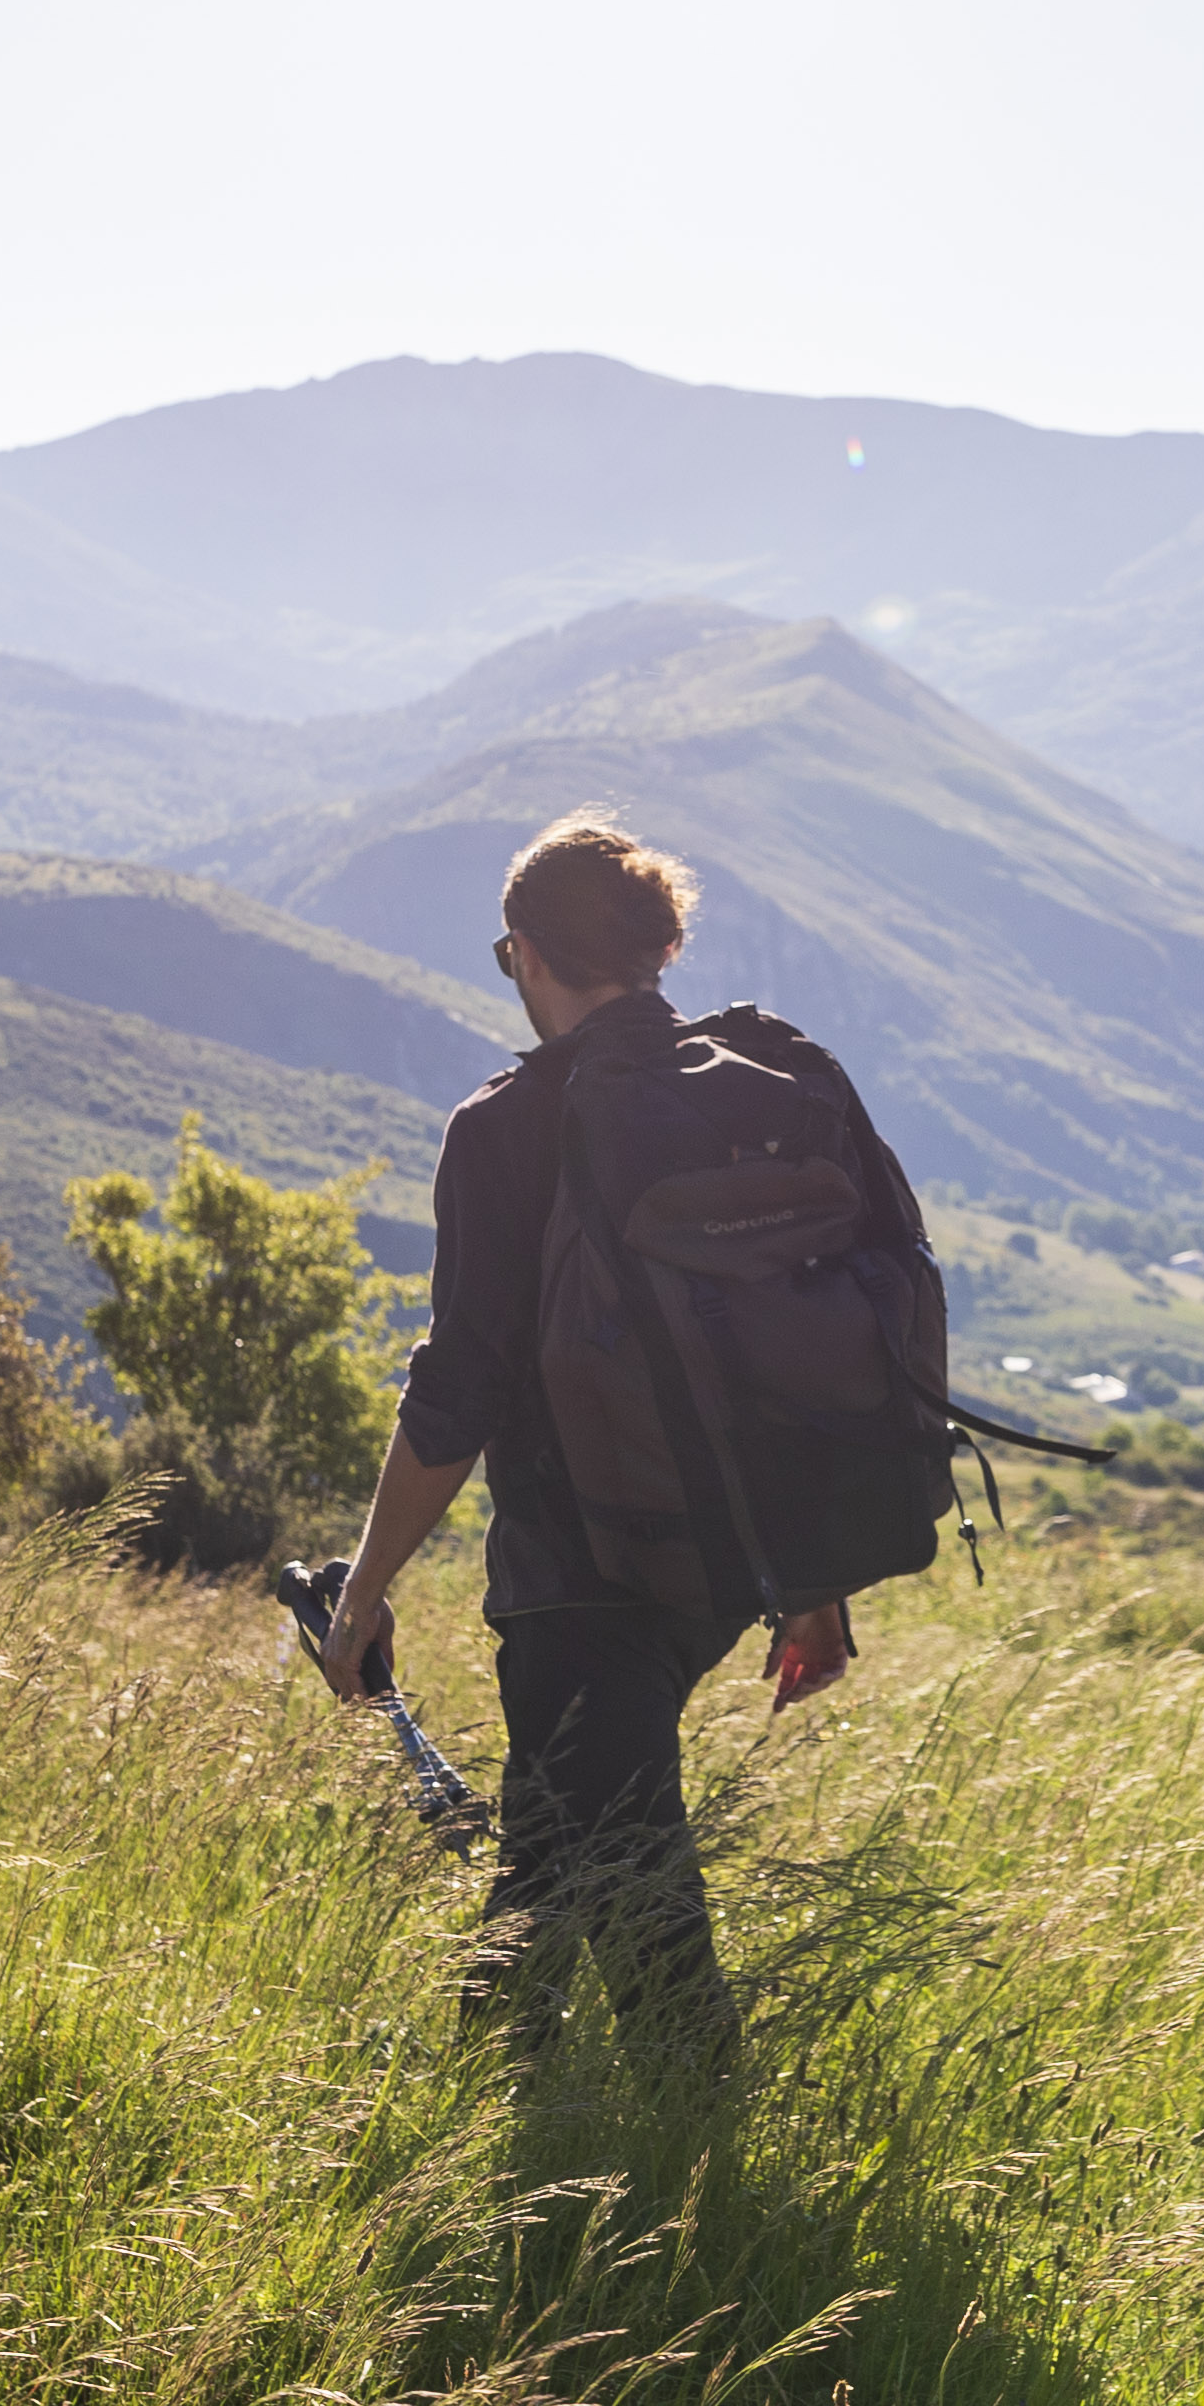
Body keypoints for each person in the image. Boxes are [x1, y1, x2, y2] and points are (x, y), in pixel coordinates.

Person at [321, 813, 856, 2071]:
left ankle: (696, 2173)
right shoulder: (750, 1096)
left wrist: (364, 1591)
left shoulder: (507, 1128)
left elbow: (456, 1392)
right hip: (718, 1575)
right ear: (657, 949)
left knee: (636, 1908)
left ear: (525, 955)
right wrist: (811, 1580)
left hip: (580, 1576)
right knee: (557, 1860)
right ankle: (500, 2136)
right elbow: (796, 1351)